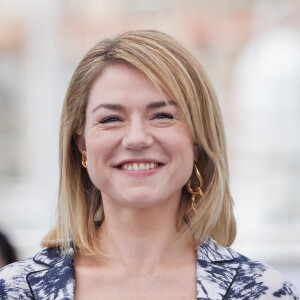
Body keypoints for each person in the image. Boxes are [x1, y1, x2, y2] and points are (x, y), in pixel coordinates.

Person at [0, 30, 298, 299]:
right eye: (111, 119)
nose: (137, 138)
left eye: (162, 116)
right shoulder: (17, 290)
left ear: (197, 141)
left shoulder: (262, 291)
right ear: (81, 144)